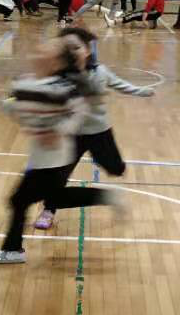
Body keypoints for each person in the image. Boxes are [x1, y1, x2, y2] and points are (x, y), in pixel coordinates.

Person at [0, 38, 120, 264]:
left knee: (20, 200)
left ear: (56, 62)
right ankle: (107, 196)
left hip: (54, 159)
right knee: (50, 197)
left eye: (49, 49)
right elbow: (18, 110)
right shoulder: (27, 83)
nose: (41, 48)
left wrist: (58, 131)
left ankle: (13, 250)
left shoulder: (61, 88)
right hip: (42, 158)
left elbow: (79, 112)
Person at [34, 27, 154, 230]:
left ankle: (109, 188)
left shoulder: (100, 72)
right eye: (66, 48)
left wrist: (141, 91)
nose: (72, 52)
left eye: (76, 47)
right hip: (71, 134)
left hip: (99, 132)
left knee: (116, 169)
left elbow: (120, 84)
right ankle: (49, 210)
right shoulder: (58, 76)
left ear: (88, 50)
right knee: (58, 176)